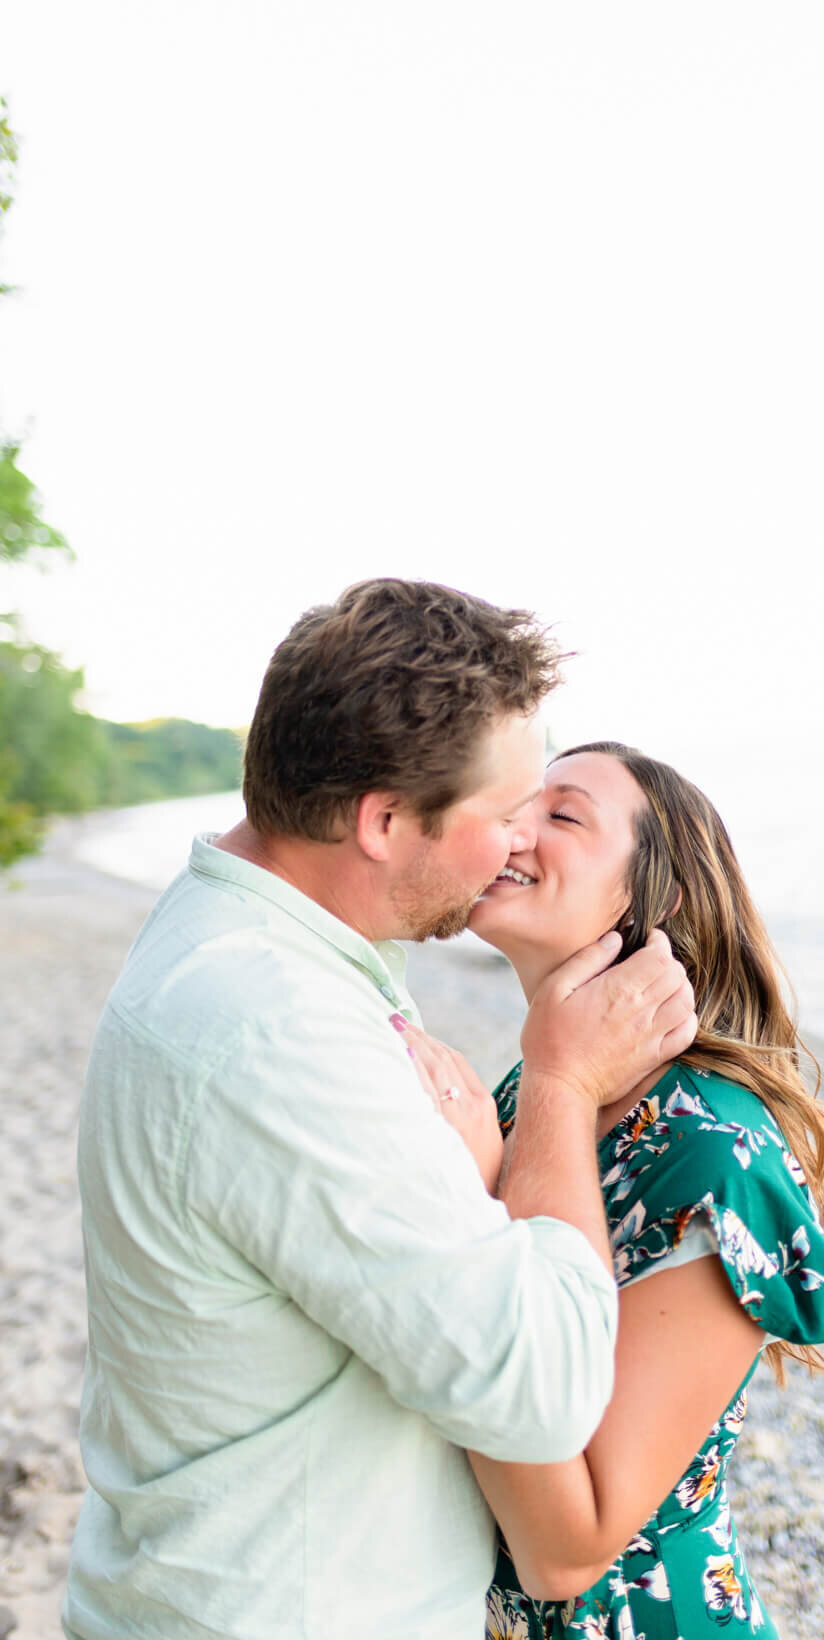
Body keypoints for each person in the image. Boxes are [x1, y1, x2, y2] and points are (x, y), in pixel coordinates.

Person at [62, 585, 697, 1640]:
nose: (511, 846)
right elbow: (542, 1386)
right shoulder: (274, 1027)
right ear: (384, 819)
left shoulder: (255, 933)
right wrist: (561, 1085)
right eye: (501, 814)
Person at [409, 739, 824, 1639]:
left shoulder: (714, 1153)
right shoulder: (534, 1090)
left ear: (657, 897)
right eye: (515, 807)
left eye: (559, 816)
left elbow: (567, 1549)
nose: (512, 830)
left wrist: (462, 1203)